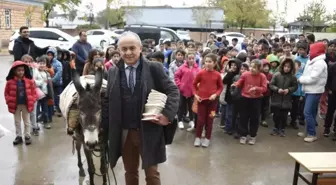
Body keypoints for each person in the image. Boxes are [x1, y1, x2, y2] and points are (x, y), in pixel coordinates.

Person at [102, 31, 179, 185]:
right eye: (124, 49)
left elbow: (173, 91)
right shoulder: (112, 72)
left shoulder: (154, 68)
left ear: (140, 49)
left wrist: (167, 114)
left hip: (148, 131)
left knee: (152, 174)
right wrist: (102, 129)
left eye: (132, 48)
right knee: (130, 173)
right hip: (125, 134)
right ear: (119, 50)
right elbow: (108, 102)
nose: (128, 52)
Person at [298, 42, 328, 142]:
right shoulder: (312, 60)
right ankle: (308, 131)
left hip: (315, 91)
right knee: (311, 112)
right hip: (309, 89)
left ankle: (312, 134)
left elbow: (313, 78)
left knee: (307, 112)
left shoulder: (319, 63)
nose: (310, 51)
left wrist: (301, 79)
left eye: (312, 49)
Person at [232, 59, 267, 145]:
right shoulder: (245, 74)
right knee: (243, 117)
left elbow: (264, 88)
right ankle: (243, 135)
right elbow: (240, 83)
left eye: (254, 67)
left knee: (254, 118)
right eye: (251, 66)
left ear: (259, 69)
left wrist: (256, 88)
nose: (252, 68)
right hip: (245, 98)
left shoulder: (262, 76)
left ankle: (252, 136)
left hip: (256, 99)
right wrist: (236, 84)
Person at [192, 53, 223, 147]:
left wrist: (216, 94)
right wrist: (196, 95)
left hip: (213, 103)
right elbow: (194, 85)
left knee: (210, 120)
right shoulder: (200, 73)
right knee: (200, 120)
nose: (208, 63)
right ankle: (197, 137)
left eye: (210, 62)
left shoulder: (217, 75)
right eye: (206, 61)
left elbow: (220, 87)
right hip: (202, 102)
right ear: (204, 62)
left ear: (214, 63)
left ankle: (207, 138)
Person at [5, 61, 37, 145]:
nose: (21, 72)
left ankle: (27, 136)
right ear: (14, 71)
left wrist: (33, 100)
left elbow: (34, 92)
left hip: (26, 105)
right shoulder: (10, 82)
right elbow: (6, 93)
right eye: (19, 70)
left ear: (25, 70)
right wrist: (8, 101)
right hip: (16, 105)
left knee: (27, 121)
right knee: (17, 122)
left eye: (22, 70)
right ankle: (19, 136)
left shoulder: (29, 81)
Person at [269, 58, 298, 137]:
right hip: (276, 99)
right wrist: (277, 89)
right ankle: (275, 127)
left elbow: (295, 86)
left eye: (288, 67)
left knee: (284, 116)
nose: (286, 68)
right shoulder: (277, 75)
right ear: (282, 66)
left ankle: (282, 128)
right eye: (285, 66)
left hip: (287, 100)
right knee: (276, 115)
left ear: (291, 68)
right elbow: (271, 85)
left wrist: (288, 90)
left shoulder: (292, 77)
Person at [174, 52, 200, 130]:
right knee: (181, 106)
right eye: (189, 58)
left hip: (193, 92)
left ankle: (191, 120)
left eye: (193, 58)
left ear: (195, 59)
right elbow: (176, 76)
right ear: (186, 59)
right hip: (183, 91)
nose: (191, 60)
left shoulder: (197, 69)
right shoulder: (182, 67)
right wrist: (180, 85)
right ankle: (180, 120)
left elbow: (199, 79)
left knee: (191, 107)